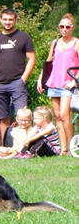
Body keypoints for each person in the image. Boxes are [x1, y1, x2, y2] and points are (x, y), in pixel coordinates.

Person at [0, 8, 36, 131]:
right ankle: (3, 148)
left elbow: (31, 59)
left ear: (16, 20)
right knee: (2, 119)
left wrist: (23, 79)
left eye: (10, 19)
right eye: (5, 19)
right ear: (0, 20)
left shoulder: (24, 37)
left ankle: (23, 148)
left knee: (22, 117)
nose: (7, 22)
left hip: (17, 83)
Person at [37, 13, 78, 155]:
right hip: (54, 82)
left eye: (67, 27)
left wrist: (74, 81)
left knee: (65, 114)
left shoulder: (76, 43)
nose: (64, 29)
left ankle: (73, 146)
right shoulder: (55, 42)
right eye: (62, 26)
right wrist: (41, 79)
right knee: (58, 116)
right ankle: (64, 149)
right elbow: (49, 62)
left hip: (68, 83)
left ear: (73, 28)